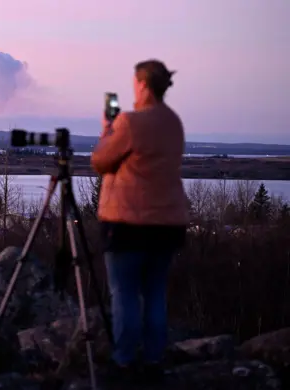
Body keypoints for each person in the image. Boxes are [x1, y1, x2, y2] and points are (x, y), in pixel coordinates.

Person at [90, 59, 189, 384]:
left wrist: (108, 128)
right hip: (168, 223)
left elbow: (101, 160)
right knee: (156, 292)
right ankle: (154, 361)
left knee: (126, 294)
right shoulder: (174, 122)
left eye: (135, 82)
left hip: (129, 224)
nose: (133, 88)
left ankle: (123, 363)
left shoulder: (130, 123)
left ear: (143, 84)